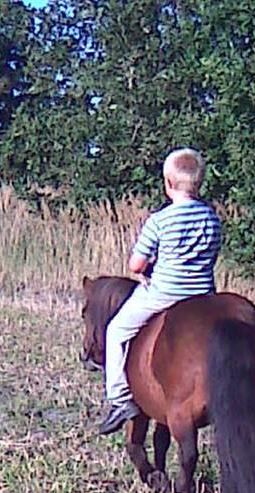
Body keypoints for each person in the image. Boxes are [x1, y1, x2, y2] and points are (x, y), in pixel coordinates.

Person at [99, 147, 222, 435]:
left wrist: (147, 268)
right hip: (203, 295)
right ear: (199, 183)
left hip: (164, 293)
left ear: (168, 183)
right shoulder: (212, 219)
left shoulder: (160, 220)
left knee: (116, 331)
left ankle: (119, 399)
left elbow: (136, 264)